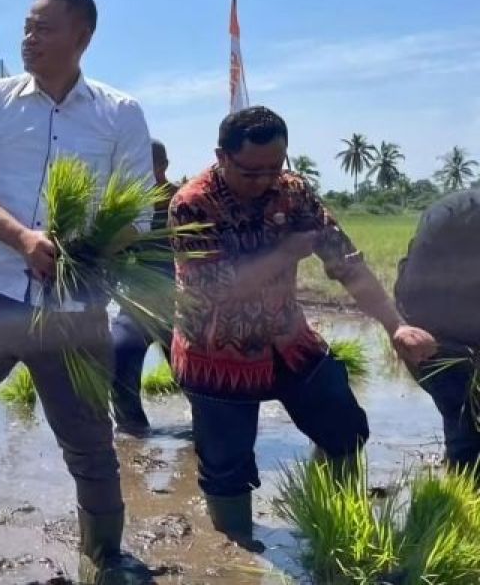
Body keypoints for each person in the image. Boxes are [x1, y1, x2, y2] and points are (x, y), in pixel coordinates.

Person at [0, 0, 155, 584]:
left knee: (90, 440)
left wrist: (86, 251)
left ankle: (106, 557)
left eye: (44, 28)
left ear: (83, 37)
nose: (29, 38)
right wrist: (23, 240)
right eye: (26, 26)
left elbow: (138, 214)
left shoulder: (119, 113)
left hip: (74, 304)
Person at [168, 106, 437, 548]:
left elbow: (346, 263)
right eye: (251, 172)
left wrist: (395, 326)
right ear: (222, 156)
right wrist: (284, 253)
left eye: (275, 168)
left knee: (345, 427)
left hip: (288, 339)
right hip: (215, 352)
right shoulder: (192, 203)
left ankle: (331, 522)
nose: (264, 182)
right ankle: (236, 554)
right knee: (226, 467)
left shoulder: (293, 192)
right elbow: (213, 289)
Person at [394, 186, 480, 469]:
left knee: (461, 431)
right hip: (445, 343)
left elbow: (405, 275)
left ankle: (460, 494)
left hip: (421, 338)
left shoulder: (447, 206)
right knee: (466, 438)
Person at [110, 139, 179, 436]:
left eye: (144, 167)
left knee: (194, 372)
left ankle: (209, 427)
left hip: (181, 304)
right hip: (137, 305)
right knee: (120, 353)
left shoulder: (183, 202)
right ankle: (133, 433)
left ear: (163, 166)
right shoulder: (125, 208)